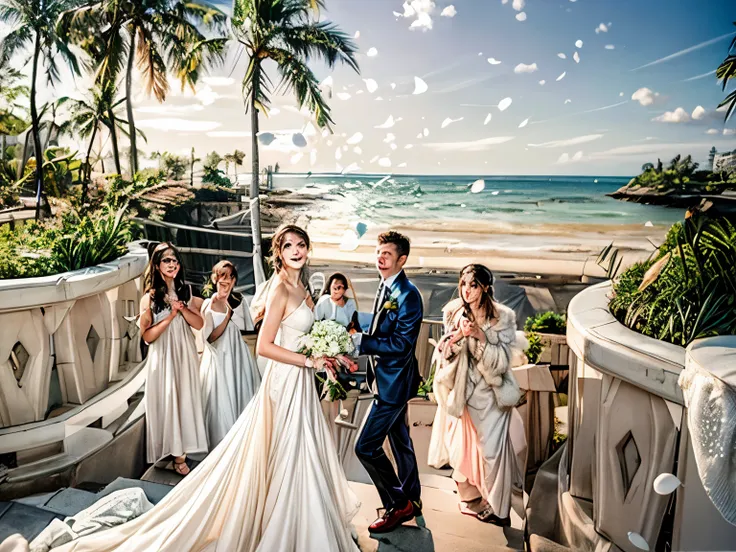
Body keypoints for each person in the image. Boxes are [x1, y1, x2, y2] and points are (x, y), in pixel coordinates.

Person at [44, 225, 360, 552]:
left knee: (301, 450)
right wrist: (309, 362)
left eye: (301, 244)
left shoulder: (303, 287)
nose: (296, 250)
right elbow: (264, 346)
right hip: (286, 381)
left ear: (307, 249)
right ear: (278, 252)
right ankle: (291, 529)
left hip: (302, 382)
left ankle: (302, 523)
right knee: (292, 449)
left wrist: (324, 354)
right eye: (289, 245)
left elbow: (303, 335)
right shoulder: (280, 289)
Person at [428, 264, 528, 526]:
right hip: (461, 393)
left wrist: (481, 338)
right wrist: (458, 336)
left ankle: (500, 510)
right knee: (457, 446)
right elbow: (442, 354)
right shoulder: (452, 312)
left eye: (473, 285)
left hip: (491, 396)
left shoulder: (503, 318)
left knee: (493, 453)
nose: (467, 291)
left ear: (485, 287)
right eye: (463, 284)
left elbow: (501, 364)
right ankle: (473, 495)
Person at [351, 231, 425, 533]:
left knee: (366, 447)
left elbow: (401, 345)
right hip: (388, 380)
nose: (380, 259)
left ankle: (398, 505)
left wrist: (361, 342)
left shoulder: (408, 295)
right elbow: (385, 324)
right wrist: (362, 323)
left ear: (402, 259)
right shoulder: (386, 285)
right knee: (400, 442)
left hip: (394, 384)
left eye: (387, 254)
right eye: (378, 253)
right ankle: (413, 498)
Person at [139, 242, 207, 476]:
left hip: (184, 352)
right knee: (168, 397)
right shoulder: (150, 298)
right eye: (166, 260)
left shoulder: (186, 291)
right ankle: (174, 453)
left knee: (185, 395)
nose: (172, 264)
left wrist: (183, 309)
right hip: (163, 354)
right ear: (157, 266)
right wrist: (169, 317)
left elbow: (199, 324)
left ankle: (184, 452)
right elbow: (147, 336)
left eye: (175, 260)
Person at [199, 260, 261, 448]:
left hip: (238, 355)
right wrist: (227, 316)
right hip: (219, 357)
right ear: (215, 278)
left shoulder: (239, 300)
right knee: (220, 398)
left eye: (230, 277)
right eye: (222, 276)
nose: (226, 280)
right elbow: (209, 338)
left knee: (241, 392)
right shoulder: (209, 304)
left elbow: (248, 328)